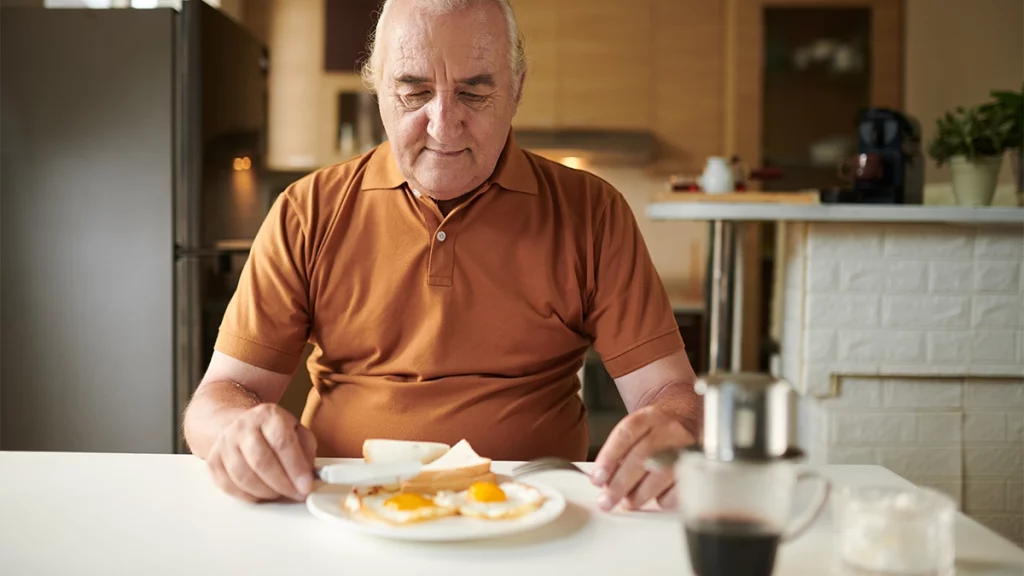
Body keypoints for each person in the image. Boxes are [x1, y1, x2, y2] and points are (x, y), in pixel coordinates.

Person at [182, 0, 702, 512]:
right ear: (378, 88)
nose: (443, 125)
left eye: (475, 93)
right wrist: (237, 430)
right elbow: (221, 395)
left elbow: (669, 391)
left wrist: (673, 426)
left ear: (517, 87)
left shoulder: (594, 213)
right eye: (414, 92)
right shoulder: (307, 211)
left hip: (537, 511)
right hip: (348, 507)